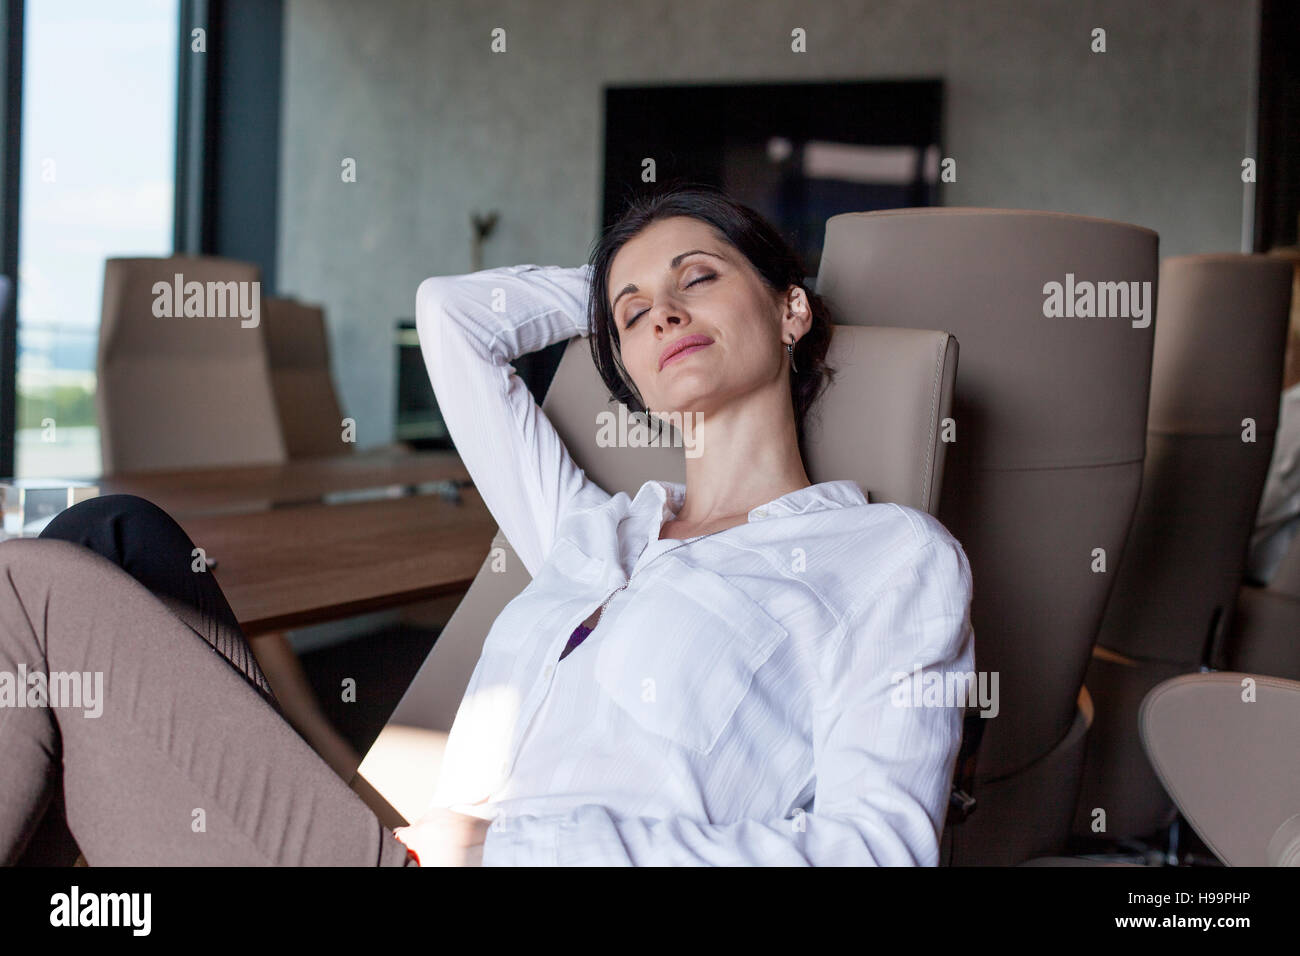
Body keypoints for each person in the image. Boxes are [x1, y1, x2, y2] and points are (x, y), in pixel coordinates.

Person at [0, 184, 974, 866]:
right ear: (623, 371)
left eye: (700, 278)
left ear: (792, 306)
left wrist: (523, 846)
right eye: (632, 313)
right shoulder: (592, 530)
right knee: (113, 537)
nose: (664, 311)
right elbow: (452, 316)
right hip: (402, 840)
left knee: (30, 592)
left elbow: (877, 850)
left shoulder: (888, 560)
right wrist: (610, 285)